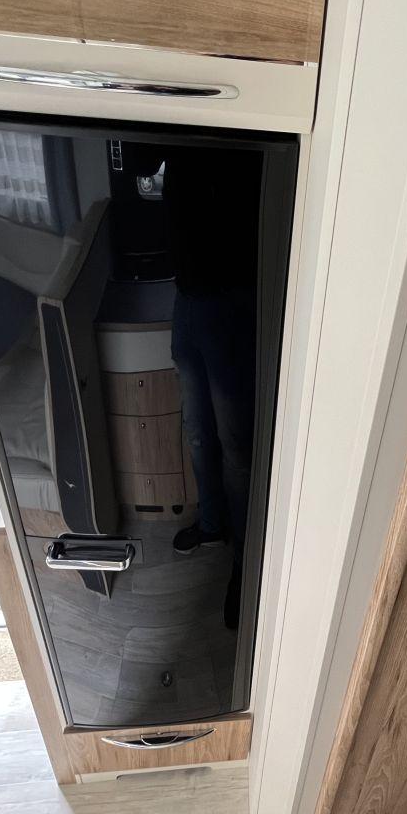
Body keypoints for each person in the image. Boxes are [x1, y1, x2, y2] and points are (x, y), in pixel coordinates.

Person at [163, 145, 261, 628]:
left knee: (235, 444)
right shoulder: (172, 129)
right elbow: (141, 164)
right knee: (198, 431)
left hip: (231, 296)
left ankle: (245, 561)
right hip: (186, 293)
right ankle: (212, 525)